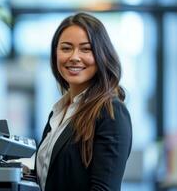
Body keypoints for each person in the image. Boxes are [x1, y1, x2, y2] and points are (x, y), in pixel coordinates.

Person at [34, 12, 132, 191]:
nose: (74, 57)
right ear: (55, 54)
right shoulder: (59, 111)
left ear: (102, 54)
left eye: (86, 49)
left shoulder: (111, 112)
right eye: (66, 48)